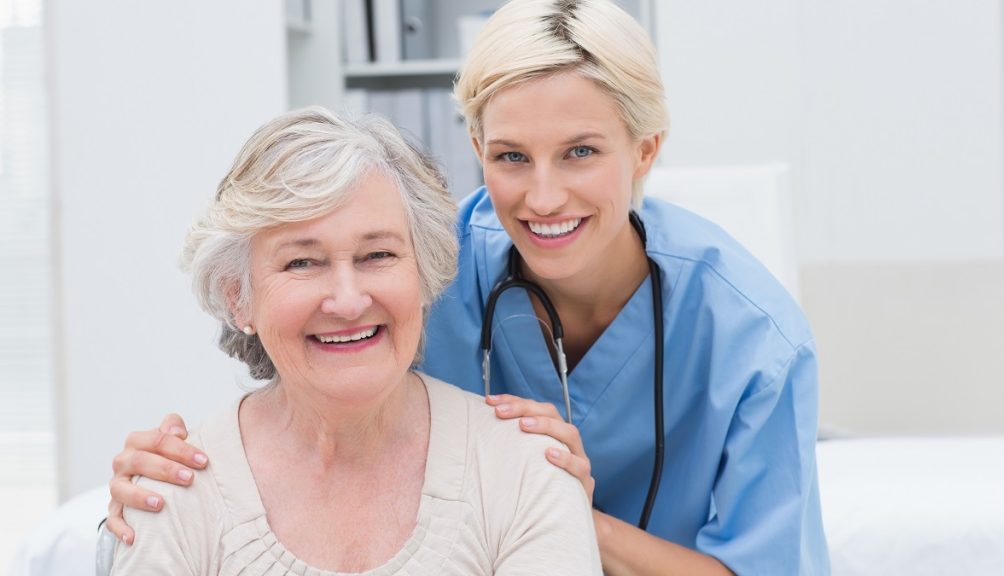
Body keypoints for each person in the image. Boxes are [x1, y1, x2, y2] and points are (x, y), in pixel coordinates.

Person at [106, 0, 830, 574]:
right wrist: (172, 476)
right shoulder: (418, 269)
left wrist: (558, 505)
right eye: (511, 156)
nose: (543, 198)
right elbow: (302, 373)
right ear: (477, 149)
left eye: (580, 152)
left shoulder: (754, 339)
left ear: (645, 151)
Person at [108, 106, 602, 575]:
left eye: (378, 254)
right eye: (302, 262)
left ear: (425, 273)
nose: (347, 301)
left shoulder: (524, 472)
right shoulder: (172, 492)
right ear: (239, 298)